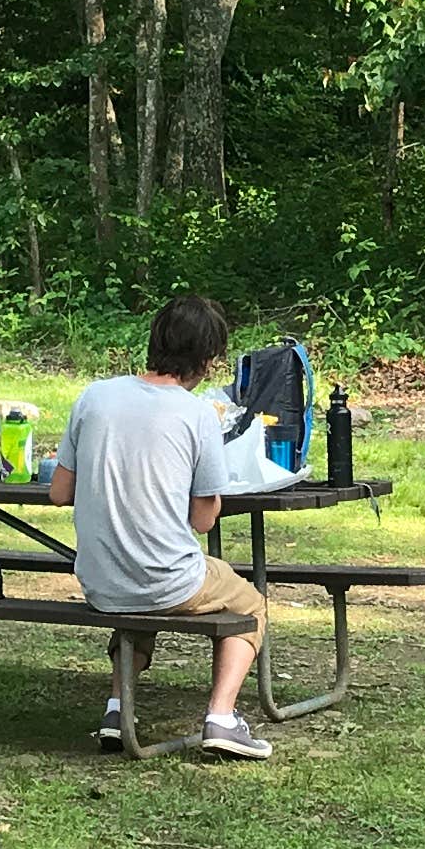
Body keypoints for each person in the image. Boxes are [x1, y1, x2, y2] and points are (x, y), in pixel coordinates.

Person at [47, 290, 271, 760]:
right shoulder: (196, 415)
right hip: (165, 579)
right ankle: (222, 718)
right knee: (250, 603)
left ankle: (116, 710)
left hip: (99, 581)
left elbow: (59, 492)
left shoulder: (95, 396)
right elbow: (203, 517)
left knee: (139, 595)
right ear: (208, 360)